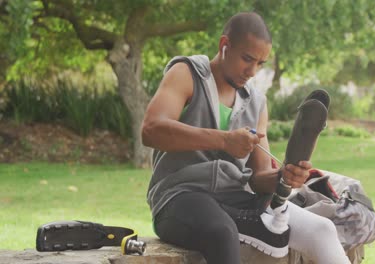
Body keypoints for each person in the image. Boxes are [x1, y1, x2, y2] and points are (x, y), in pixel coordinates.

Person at [141, 12, 350, 264]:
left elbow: (260, 177)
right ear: (224, 46)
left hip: (235, 198)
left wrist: (284, 178)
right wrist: (224, 140)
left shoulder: (257, 102)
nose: (252, 71)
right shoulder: (187, 73)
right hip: (179, 198)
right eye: (247, 59)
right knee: (222, 232)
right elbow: (151, 130)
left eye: (260, 63)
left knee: (321, 230)